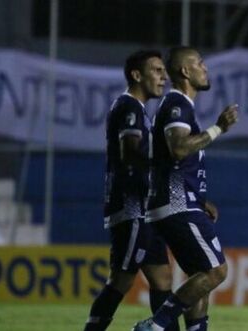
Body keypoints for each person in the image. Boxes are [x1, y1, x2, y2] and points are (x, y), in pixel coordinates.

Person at [132, 46, 238, 331]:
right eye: (200, 63)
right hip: (177, 204)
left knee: (198, 277)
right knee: (216, 271)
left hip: (180, 201)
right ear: (185, 71)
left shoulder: (179, 106)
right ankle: (156, 325)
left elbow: (171, 162)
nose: (205, 68)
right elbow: (179, 148)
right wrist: (218, 129)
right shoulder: (177, 104)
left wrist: (199, 198)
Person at [84, 50, 180, 331]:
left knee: (162, 279)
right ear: (137, 75)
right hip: (133, 207)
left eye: (164, 71)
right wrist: (164, 167)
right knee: (121, 280)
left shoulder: (138, 110)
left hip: (145, 209)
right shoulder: (129, 107)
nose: (164, 77)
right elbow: (130, 152)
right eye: (157, 70)